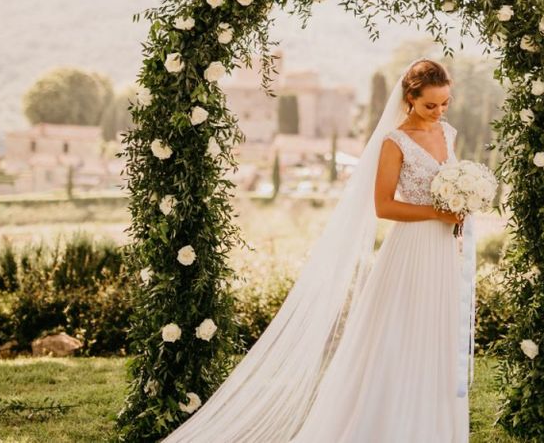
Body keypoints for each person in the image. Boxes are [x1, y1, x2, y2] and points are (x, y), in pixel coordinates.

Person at [160, 58, 475, 443]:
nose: (439, 112)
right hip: (410, 251)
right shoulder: (396, 141)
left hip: (444, 250)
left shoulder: (448, 133)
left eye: (445, 104)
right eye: (431, 105)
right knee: (399, 337)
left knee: (437, 337)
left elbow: (450, 187)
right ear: (410, 98)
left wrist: (461, 209)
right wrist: (437, 212)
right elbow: (384, 206)